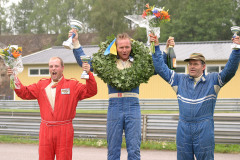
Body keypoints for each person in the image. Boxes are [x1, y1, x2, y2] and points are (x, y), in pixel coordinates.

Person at [150, 35, 240, 160]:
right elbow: (160, 67)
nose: (191, 66)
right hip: (183, 128)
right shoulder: (179, 80)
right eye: (190, 64)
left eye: (195, 64)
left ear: (203, 67)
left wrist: (236, 49)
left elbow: (230, 70)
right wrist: (155, 46)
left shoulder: (213, 80)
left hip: (204, 128)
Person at [69, 30, 151, 160]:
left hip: (133, 106)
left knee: (134, 149)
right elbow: (85, 63)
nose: (124, 50)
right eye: (121, 47)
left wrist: (166, 49)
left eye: (127, 47)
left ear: (131, 47)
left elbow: (157, 64)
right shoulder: (107, 62)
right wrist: (76, 43)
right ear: (116, 48)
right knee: (113, 149)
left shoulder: (139, 62)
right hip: (114, 106)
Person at [7, 57, 97, 160]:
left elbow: (92, 91)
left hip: (65, 129)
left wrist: (89, 74)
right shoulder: (41, 85)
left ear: (62, 68)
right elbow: (23, 92)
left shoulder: (72, 85)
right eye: (51, 66)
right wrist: (13, 77)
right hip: (46, 130)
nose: (53, 69)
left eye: (56, 66)